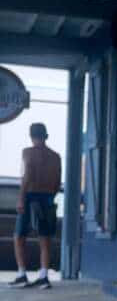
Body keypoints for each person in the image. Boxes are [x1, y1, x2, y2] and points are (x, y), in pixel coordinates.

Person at [10, 122, 62, 290]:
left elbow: (27, 176)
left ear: (31, 136)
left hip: (30, 195)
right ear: (45, 136)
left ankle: (22, 274)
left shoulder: (27, 153)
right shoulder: (56, 156)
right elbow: (57, 183)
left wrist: (21, 199)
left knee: (19, 236)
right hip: (47, 198)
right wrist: (49, 197)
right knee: (44, 239)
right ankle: (44, 276)